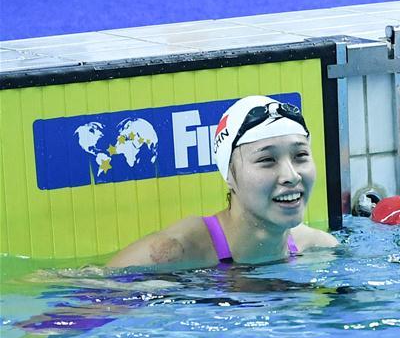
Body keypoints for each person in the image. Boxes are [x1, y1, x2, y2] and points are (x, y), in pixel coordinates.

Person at [107, 95, 337, 267]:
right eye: (267, 160)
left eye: (301, 156)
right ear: (228, 174)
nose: (291, 176)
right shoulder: (173, 252)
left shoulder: (319, 248)